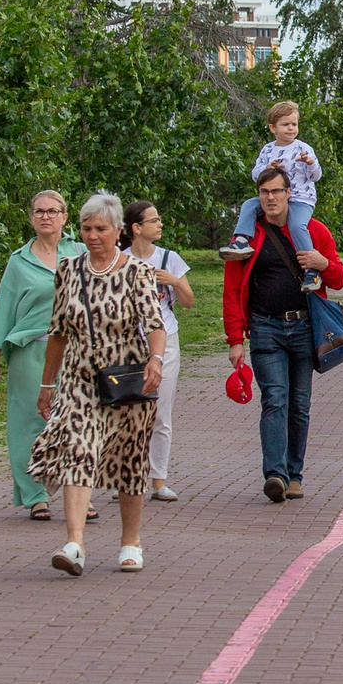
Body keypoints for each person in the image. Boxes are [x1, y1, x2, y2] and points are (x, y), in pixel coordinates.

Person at [31, 192, 167, 575]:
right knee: (77, 449)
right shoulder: (68, 271)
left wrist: (155, 359)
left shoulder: (137, 272)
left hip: (128, 380)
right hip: (79, 379)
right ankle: (74, 543)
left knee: (130, 461)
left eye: (101, 229)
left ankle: (131, 541)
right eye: (87, 228)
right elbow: (58, 331)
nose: (93, 236)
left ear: (118, 230)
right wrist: (47, 385)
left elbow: (154, 324)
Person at [223, 166, 343, 502]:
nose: (270, 198)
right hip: (265, 327)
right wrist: (235, 339)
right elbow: (232, 288)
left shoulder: (313, 230)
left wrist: (322, 264)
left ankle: (295, 475)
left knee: (299, 404)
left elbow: (339, 279)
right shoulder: (247, 236)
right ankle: (275, 474)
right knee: (275, 398)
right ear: (258, 196)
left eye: (276, 191)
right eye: (264, 192)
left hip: (305, 327)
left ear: (289, 193)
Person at [0, 191, 85, 521]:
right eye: (39, 211)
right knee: (30, 421)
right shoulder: (19, 261)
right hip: (30, 348)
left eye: (52, 211)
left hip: (73, 348)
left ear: (64, 217)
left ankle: (78, 491)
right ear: (31, 218)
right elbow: (3, 311)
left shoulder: (79, 253)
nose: (45, 216)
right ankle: (35, 494)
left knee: (75, 421)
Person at [127, 199, 193, 503]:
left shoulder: (169, 258)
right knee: (127, 412)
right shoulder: (121, 259)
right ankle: (127, 478)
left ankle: (158, 480)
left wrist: (173, 281)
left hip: (166, 341)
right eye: (153, 220)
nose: (160, 224)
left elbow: (189, 301)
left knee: (159, 412)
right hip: (128, 344)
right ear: (136, 227)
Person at [220, 100, 324, 262]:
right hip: (272, 197)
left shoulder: (304, 149)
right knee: (248, 205)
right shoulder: (268, 150)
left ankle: (309, 263)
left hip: (300, 199)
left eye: (294, 124)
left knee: (297, 226)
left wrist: (310, 163)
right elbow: (255, 175)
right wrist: (267, 168)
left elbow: (316, 177)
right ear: (273, 128)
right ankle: (241, 241)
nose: (291, 128)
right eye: (285, 124)